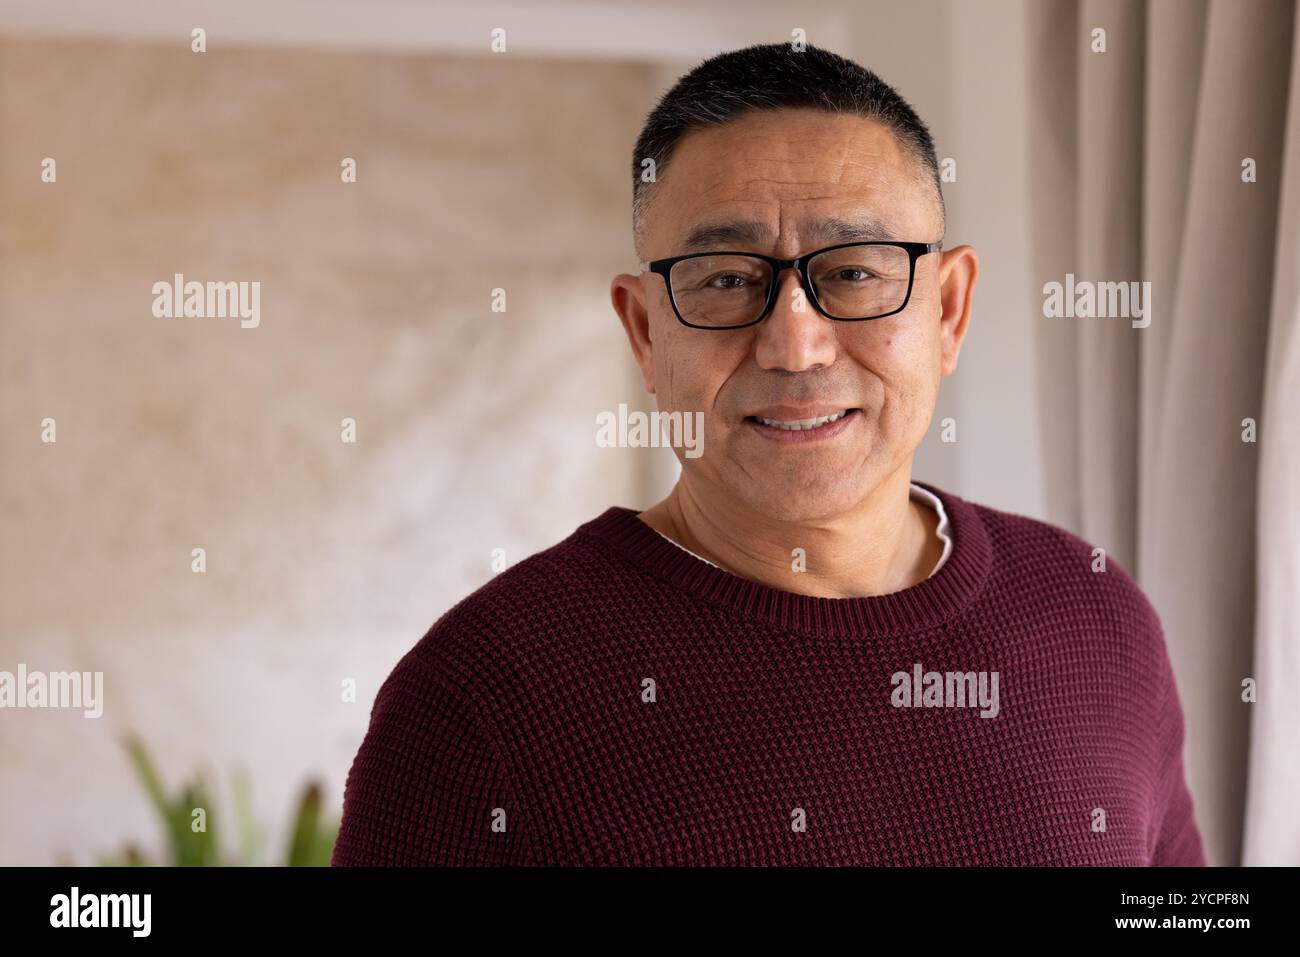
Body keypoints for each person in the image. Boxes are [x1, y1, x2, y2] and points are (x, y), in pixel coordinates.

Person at [332, 42, 1205, 866]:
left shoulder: (1098, 619)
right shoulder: (483, 695)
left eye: (855, 273)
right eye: (725, 280)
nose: (795, 344)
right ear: (643, 331)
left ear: (948, 310)